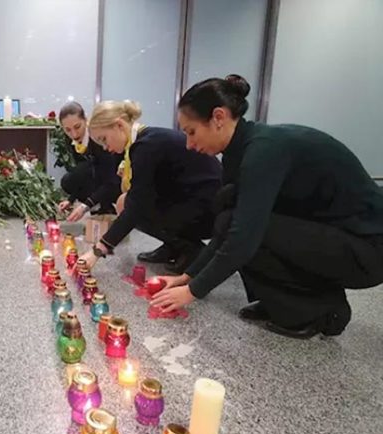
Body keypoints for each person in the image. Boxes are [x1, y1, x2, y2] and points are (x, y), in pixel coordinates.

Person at [150, 74, 383, 338]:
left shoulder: (264, 150)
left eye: (191, 132)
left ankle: (321, 310)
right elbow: (227, 228)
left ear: (218, 117)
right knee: (228, 214)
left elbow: (243, 237)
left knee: (246, 231)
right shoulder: (240, 152)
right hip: (328, 236)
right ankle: (283, 303)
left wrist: (191, 293)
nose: (189, 144)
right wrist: (188, 277)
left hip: (368, 249)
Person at [80, 100, 222, 273]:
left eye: (104, 139)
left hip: (209, 210)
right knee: (125, 202)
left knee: (131, 206)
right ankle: (173, 246)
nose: (105, 147)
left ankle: (191, 249)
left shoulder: (146, 146)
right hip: (192, 200)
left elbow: (137, 204)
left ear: (119, 125)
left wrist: (98, 250)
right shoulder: (142, 141)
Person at [57, 101, 122, 220]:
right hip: (97, 174)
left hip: (117, 177)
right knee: (70, 179)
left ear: (85, 120)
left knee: (98, 173)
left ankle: (107, 206)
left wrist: (86, 205)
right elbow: (83, 173)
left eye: (77, 127)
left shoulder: (99, 139)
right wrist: (71, 200)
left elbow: (110, 179)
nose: (74, 134)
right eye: (68, 130)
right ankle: (97, 205)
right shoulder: (71, 140)